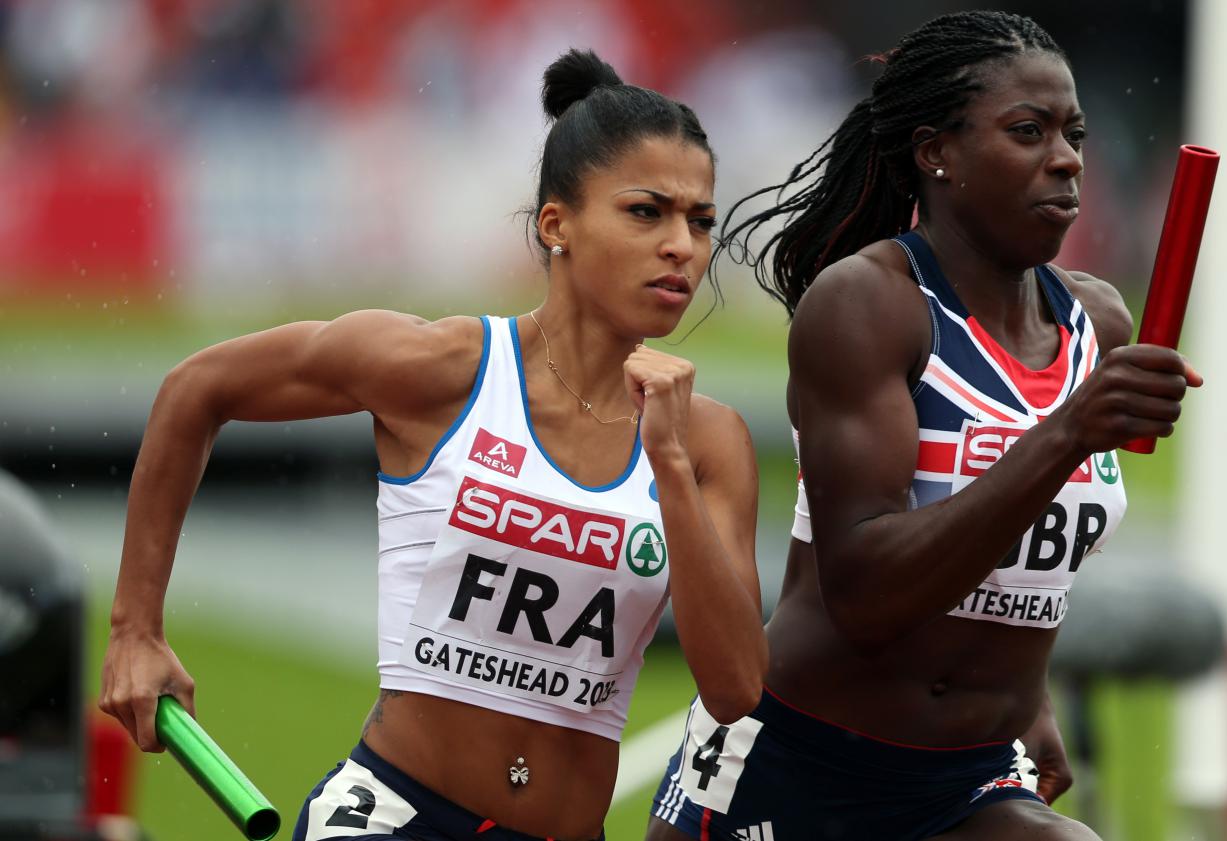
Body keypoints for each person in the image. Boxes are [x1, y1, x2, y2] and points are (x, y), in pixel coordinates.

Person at [98, 49, 768, 841]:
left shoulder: (709, 439)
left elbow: (733, 689)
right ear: (557, 223)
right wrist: (134, 629)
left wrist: (670, 466)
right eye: (646, 211)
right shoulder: (441, 368)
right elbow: (194, 389)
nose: (682, 246)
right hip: (393, 817)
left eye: (700, 221)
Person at [647, 11, 1200, 841]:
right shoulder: (868, 306)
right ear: (936, 151)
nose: (1067, 159)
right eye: (1028, 131)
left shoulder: (1100, 323)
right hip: (803, 765)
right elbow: (868, 595)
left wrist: (1029, 693)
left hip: (968, 777)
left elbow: (1025, 564)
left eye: (1074, 133)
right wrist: (1065, 434)